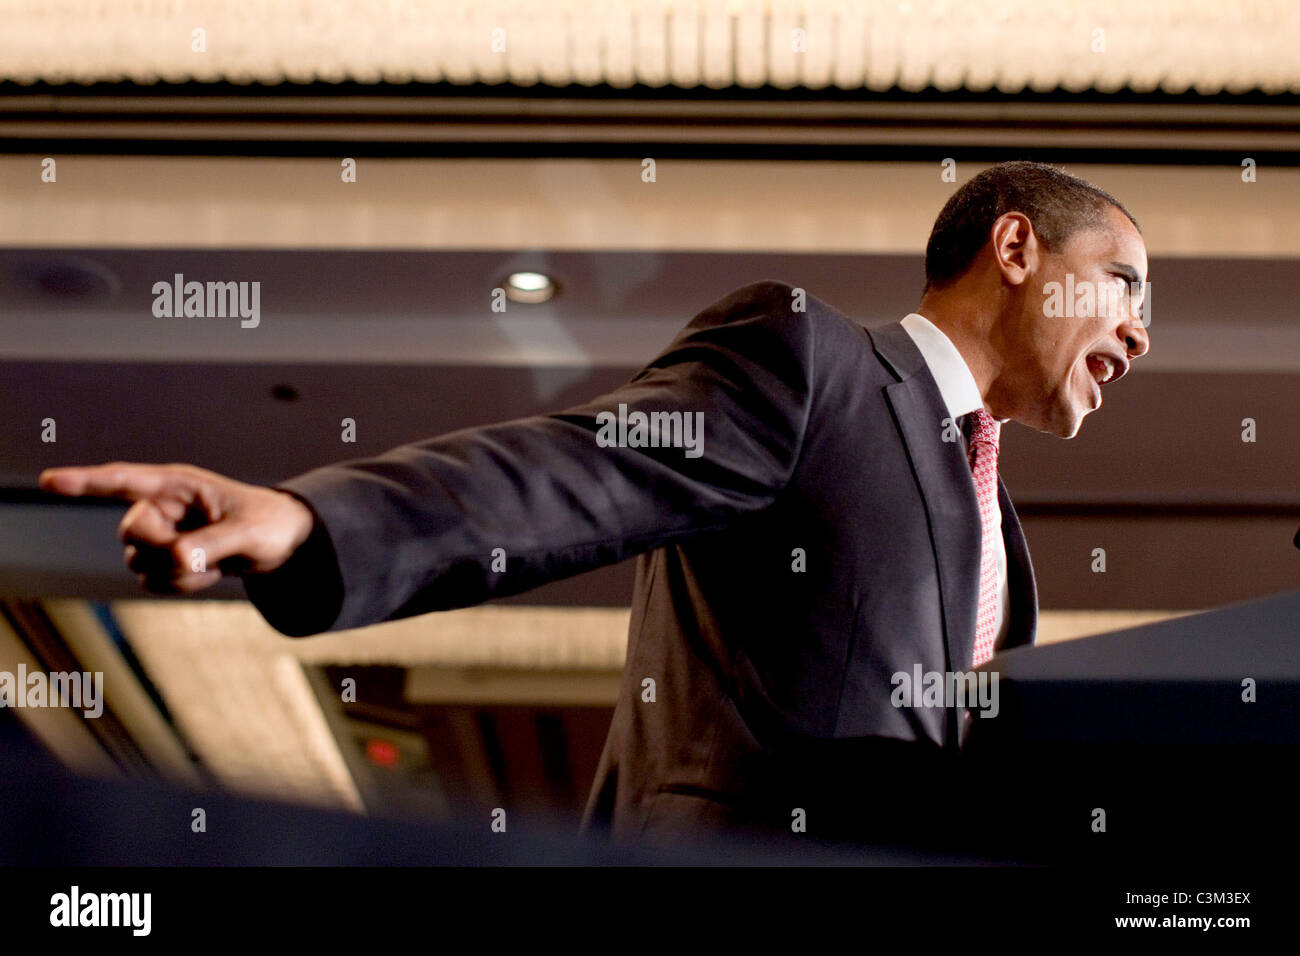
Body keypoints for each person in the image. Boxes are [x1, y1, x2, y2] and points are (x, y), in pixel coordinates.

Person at [39, 161, 1149, 846]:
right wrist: (313, 521)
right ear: (1016, 247)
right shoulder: (816, 364)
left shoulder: (998, 526)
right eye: (1124, 286)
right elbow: (578, 468)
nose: (1141, 334)